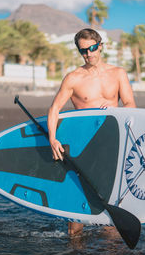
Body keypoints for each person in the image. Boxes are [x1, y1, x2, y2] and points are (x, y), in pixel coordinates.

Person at [47, 28, 136, 236]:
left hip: (110, 146)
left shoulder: (118, 74)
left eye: (92, 48)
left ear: (101, 46)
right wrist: (52, 139)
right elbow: (54, 109)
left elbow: (131, 104)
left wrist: (115, 112)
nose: (88, 54)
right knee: (77, 214)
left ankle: (110, 251)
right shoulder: (73, 78)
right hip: (83, 148)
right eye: (83, 51)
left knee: (111, 209)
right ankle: (76, 250)